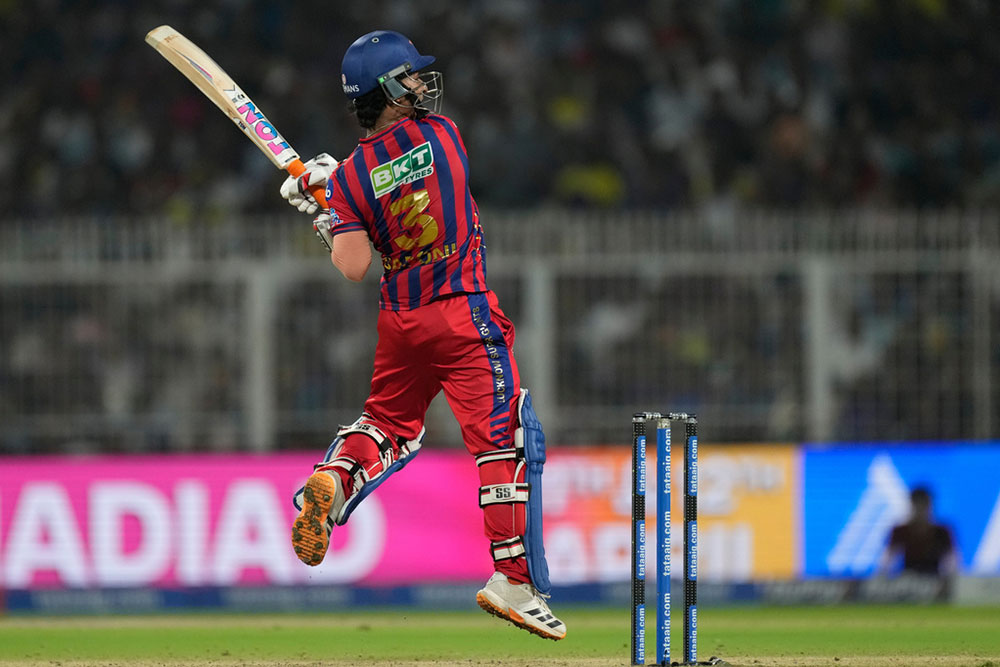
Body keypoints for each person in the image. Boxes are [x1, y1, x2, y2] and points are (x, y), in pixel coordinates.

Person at [278, 30, 566, 640]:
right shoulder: (443, 135)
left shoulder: (353, 177)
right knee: (503, 441)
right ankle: (513, 580)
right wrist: (332, 195)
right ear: (388, 87)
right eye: (409, 78)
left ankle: (334, 476)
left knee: (388, 425)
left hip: (402, 322)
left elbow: (354, 263)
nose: (420, 86)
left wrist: (329, 209)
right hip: (464, 313)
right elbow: (421, 189)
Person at [880, 486, 957, 598]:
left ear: (930, 505)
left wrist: (950, 578)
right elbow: (888, 557)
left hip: (934, 579)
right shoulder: (900, 530)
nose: (920, 509)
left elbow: (952, 559)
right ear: (911, 505)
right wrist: (884, 578)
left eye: (924, 505)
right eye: (917, 504)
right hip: (908, 579)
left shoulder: (942, 531)